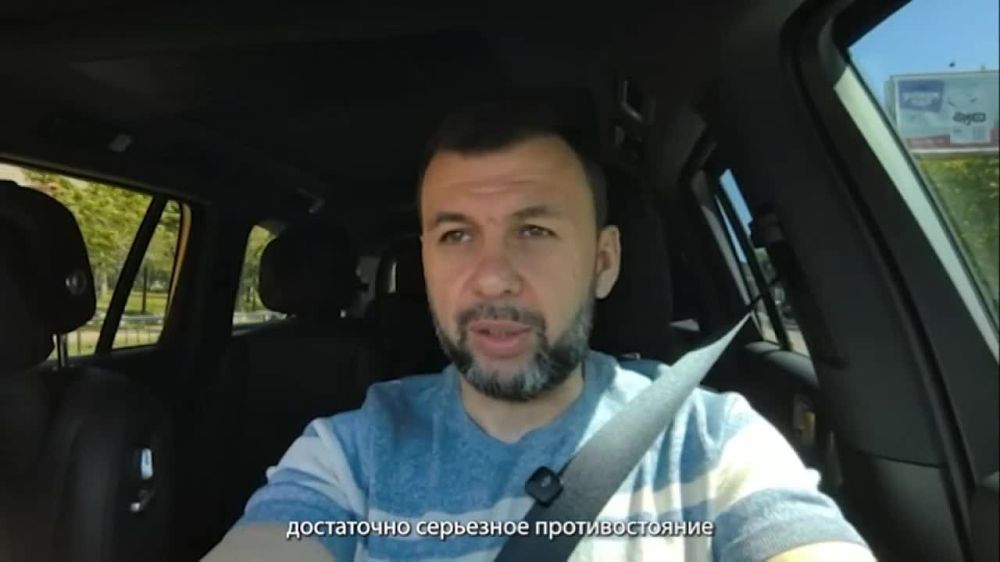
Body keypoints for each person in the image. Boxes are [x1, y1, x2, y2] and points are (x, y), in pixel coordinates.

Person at [203, 102, 874, 562]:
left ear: (603, 262)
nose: (493, 278)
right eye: (456, 235)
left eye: (534, 230)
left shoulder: (710, 442)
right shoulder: (349, 456)